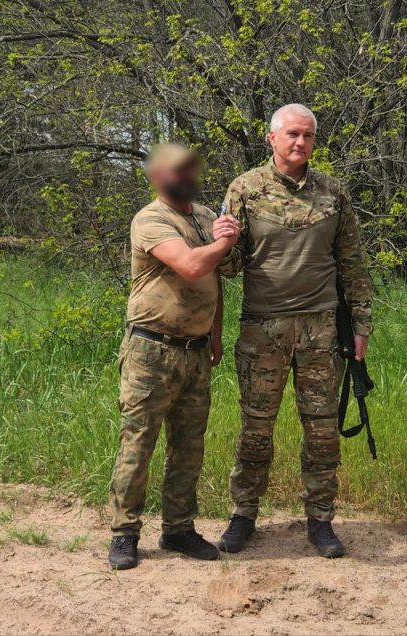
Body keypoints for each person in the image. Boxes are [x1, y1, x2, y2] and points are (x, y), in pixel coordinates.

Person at [217, 104, 373, 558]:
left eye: (307, 135)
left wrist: (361, 323)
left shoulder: (333, 193)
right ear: (272, 138)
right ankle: (243, 515)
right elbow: (229, 268)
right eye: (291, 134)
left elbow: (353, 263)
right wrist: (222, 241)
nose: (299, 142)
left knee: (322, 430)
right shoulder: (245, 189)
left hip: (321, 330)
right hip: (262, 330)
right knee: (255, 431)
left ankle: (320, 521)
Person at [107, 143, 241, 570]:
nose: (182, 175)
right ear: (156, 176)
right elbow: (192, 266)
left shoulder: (204, 217)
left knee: (188, 447)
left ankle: (179, 529)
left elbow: (214, 283)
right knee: (138, 442)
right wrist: (225, 243)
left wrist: (215, 333)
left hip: (196, 352)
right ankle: (125, 532)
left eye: (188, 168)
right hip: (152, 349)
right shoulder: (150, 219)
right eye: (172, 169)